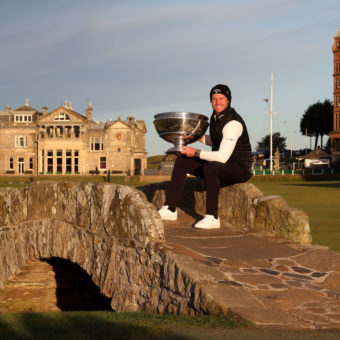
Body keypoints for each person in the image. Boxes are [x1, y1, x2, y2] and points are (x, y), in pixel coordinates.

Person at [158, 84, 253, 229]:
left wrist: (195, 152)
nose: (217, 102)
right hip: (223, 165)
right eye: (214, 99)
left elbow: (222, 157)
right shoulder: (216, 117)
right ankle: (170, 208)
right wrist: (197, 137)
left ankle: (212, 217)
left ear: (228, 100)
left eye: (221, 98)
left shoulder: (233, 122)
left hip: (239, 169)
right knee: (182, 161)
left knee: (211, 168)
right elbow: (217, 140)